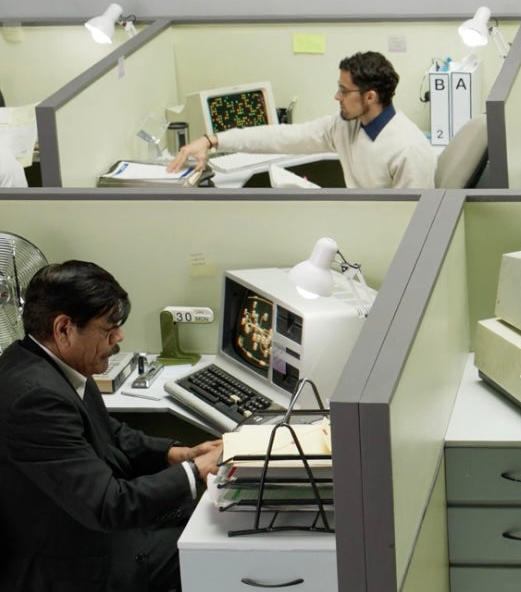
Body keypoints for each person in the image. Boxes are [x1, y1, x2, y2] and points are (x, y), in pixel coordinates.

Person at [0, 261, 223, 592]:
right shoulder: (35, 399)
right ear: (63, 329)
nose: (119, 337)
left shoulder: (49, 362)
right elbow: (109, 506)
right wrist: (195, 471)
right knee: (218, 549)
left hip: (84, 526)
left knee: (201, 511)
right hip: (73, 563)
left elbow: (111, 434)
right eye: (108, 328)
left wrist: (177, 454)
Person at [167, 50, 436, 188]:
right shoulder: (344, 126)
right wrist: (213, 140)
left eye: (344, 91)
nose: (336, 96)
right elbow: (283, 137)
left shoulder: (407, 149)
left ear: (370, 97)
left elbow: (416, 223)